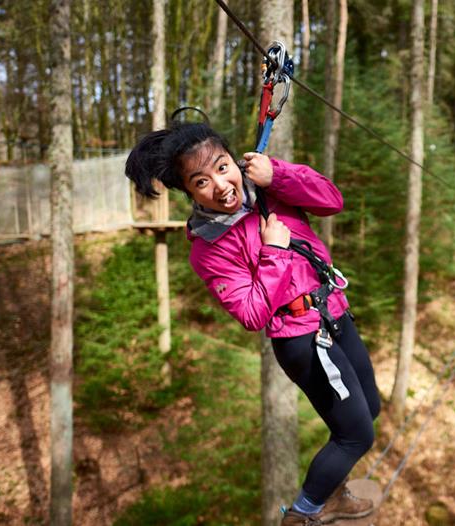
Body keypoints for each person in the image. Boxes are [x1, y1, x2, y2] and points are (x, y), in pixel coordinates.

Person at [125, 122, 379, 525]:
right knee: (356, 435)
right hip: (303, 338)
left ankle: (333, 491)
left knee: (371, 407)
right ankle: (303, 514)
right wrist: (274, 253)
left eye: (223, 167)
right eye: (201, 181)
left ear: (234, 160)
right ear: (190, 193)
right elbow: (251, 314)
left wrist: (278, 173)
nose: (221, 186)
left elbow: (332, 200)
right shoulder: (208, 247)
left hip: (334, 313)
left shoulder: (268, 190)